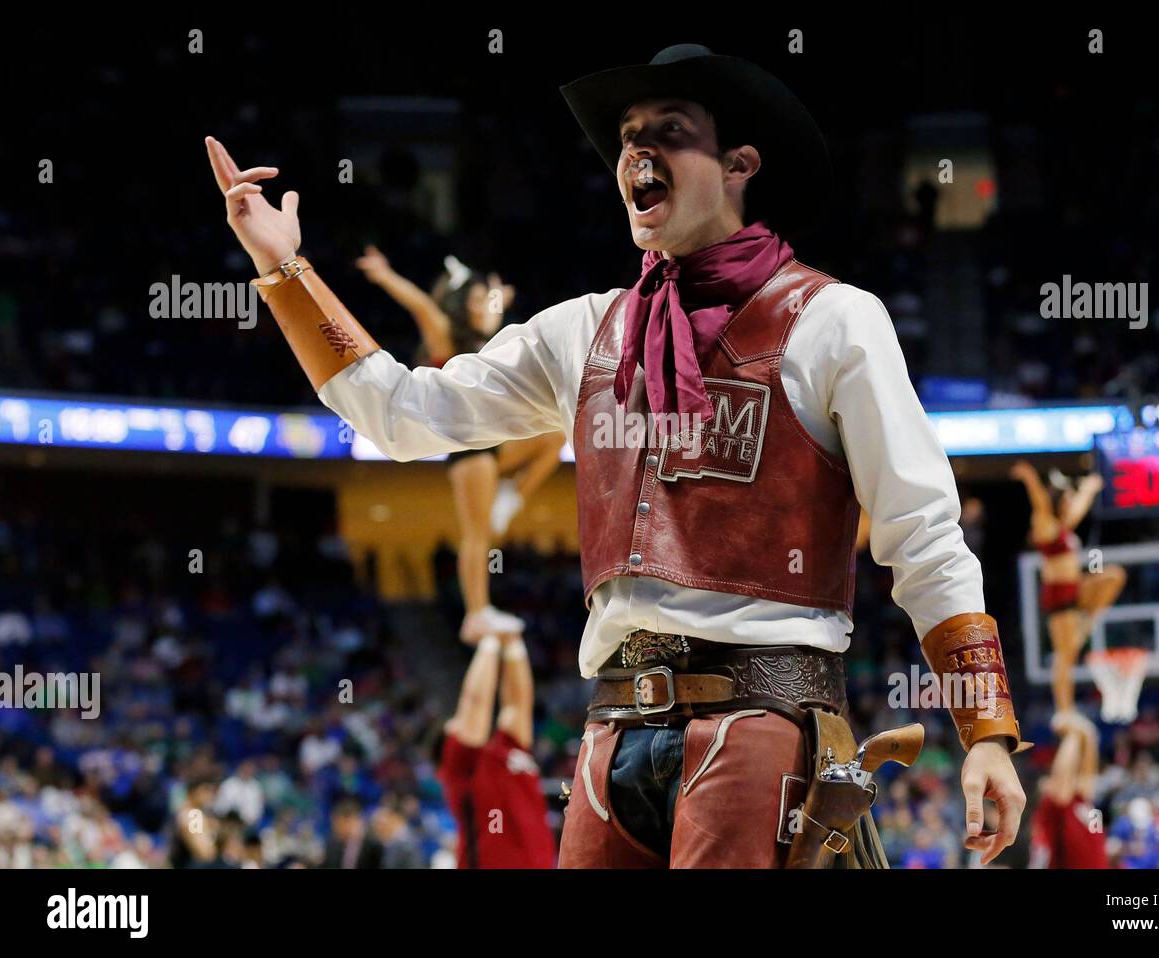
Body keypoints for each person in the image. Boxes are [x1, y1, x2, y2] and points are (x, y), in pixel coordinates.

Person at [205, 41, 1028, 869]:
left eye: (669, 131)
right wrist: (283, 269)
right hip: (611, 733)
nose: (637, 150)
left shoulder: (837, 321)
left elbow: (923, 533)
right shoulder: (584, 330)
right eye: (629, 136)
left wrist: (985, 730)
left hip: (761, 723)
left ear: (740, 163)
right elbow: (402, 416)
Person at [355, 247, 565, 639]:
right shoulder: (446, 335)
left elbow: (494, 313)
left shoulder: (486, 336)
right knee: (477, 534)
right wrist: (384, 275)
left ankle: (511, 498)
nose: (483, 305)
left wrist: (496, 294)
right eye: (473, 299)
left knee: (556, 434)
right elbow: (420, 305)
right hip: (470, 448)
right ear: (457, 305)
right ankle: (477, 612)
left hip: (496, 443)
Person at [1010, 461, 1127, 713]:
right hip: (1058, 596)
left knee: (1113, 576)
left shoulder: (1064, 527)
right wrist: (1031, 478)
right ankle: (1064, 710)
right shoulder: (1045, 523)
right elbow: (1042, 503)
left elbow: (1077, 509)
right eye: (1068, 497)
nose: (1071, 501)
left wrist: (1089, 488)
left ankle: (1088, 621)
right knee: (1066, 658)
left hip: (1075, 589)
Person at [432, 632, 556, 868]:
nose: (464, 720)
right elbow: (476, 702)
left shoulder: (505, 751)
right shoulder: (459, 765)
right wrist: (488, 640)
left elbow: (518, 705)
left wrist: (512, 644)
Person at [1030, 710, 1108, 868]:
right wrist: (1072, 736)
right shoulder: (1052, 809)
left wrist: (1088, 734)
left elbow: (1087, 774)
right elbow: (1062, 776)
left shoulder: (1081, 802)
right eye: (1048, 780)